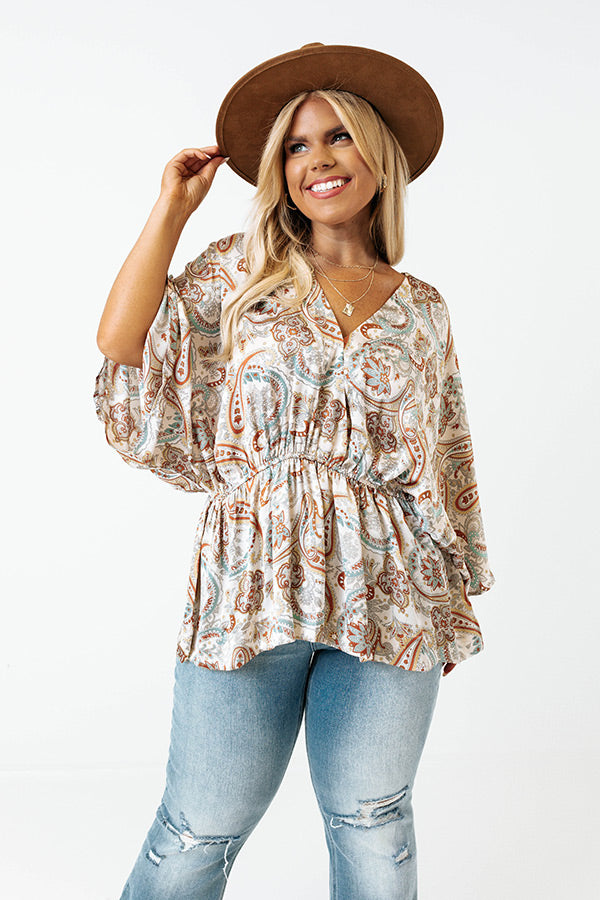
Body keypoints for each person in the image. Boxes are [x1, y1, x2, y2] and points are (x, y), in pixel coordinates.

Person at [94, 43, 495, 900]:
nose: (318, 160)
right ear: (280, 170)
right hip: (251, 584)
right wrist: (171, 209)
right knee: (199, 828)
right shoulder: (241, 272)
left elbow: (446, 457)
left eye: (339, 136)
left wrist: (448, 600)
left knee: (375, 823)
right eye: (297, 146)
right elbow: (123, 345)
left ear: (377, 155)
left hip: (395, 597)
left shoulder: (423, 307)